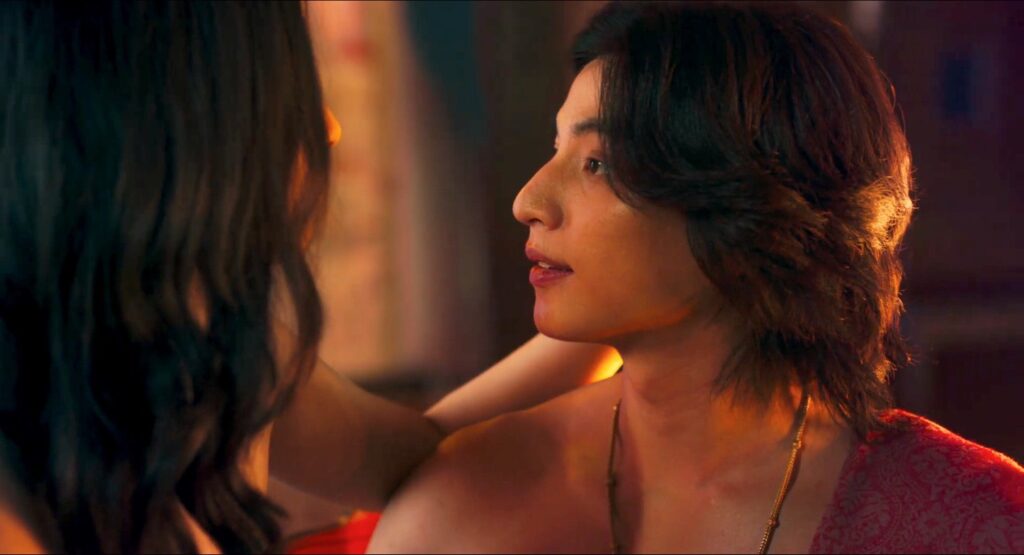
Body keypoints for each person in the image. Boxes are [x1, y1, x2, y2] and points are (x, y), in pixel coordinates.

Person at [369, 2, 1024, 553]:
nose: (528, 200)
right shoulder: (465, 504)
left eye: (599, 162)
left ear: (751, 201)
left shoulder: (967, 519)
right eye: (556, 148)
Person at [0, 2, 615, 552]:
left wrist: (613, 315)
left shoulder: (222, 348)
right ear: (169, 129)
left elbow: (417, 453)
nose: (328, 130)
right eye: (280, 94)